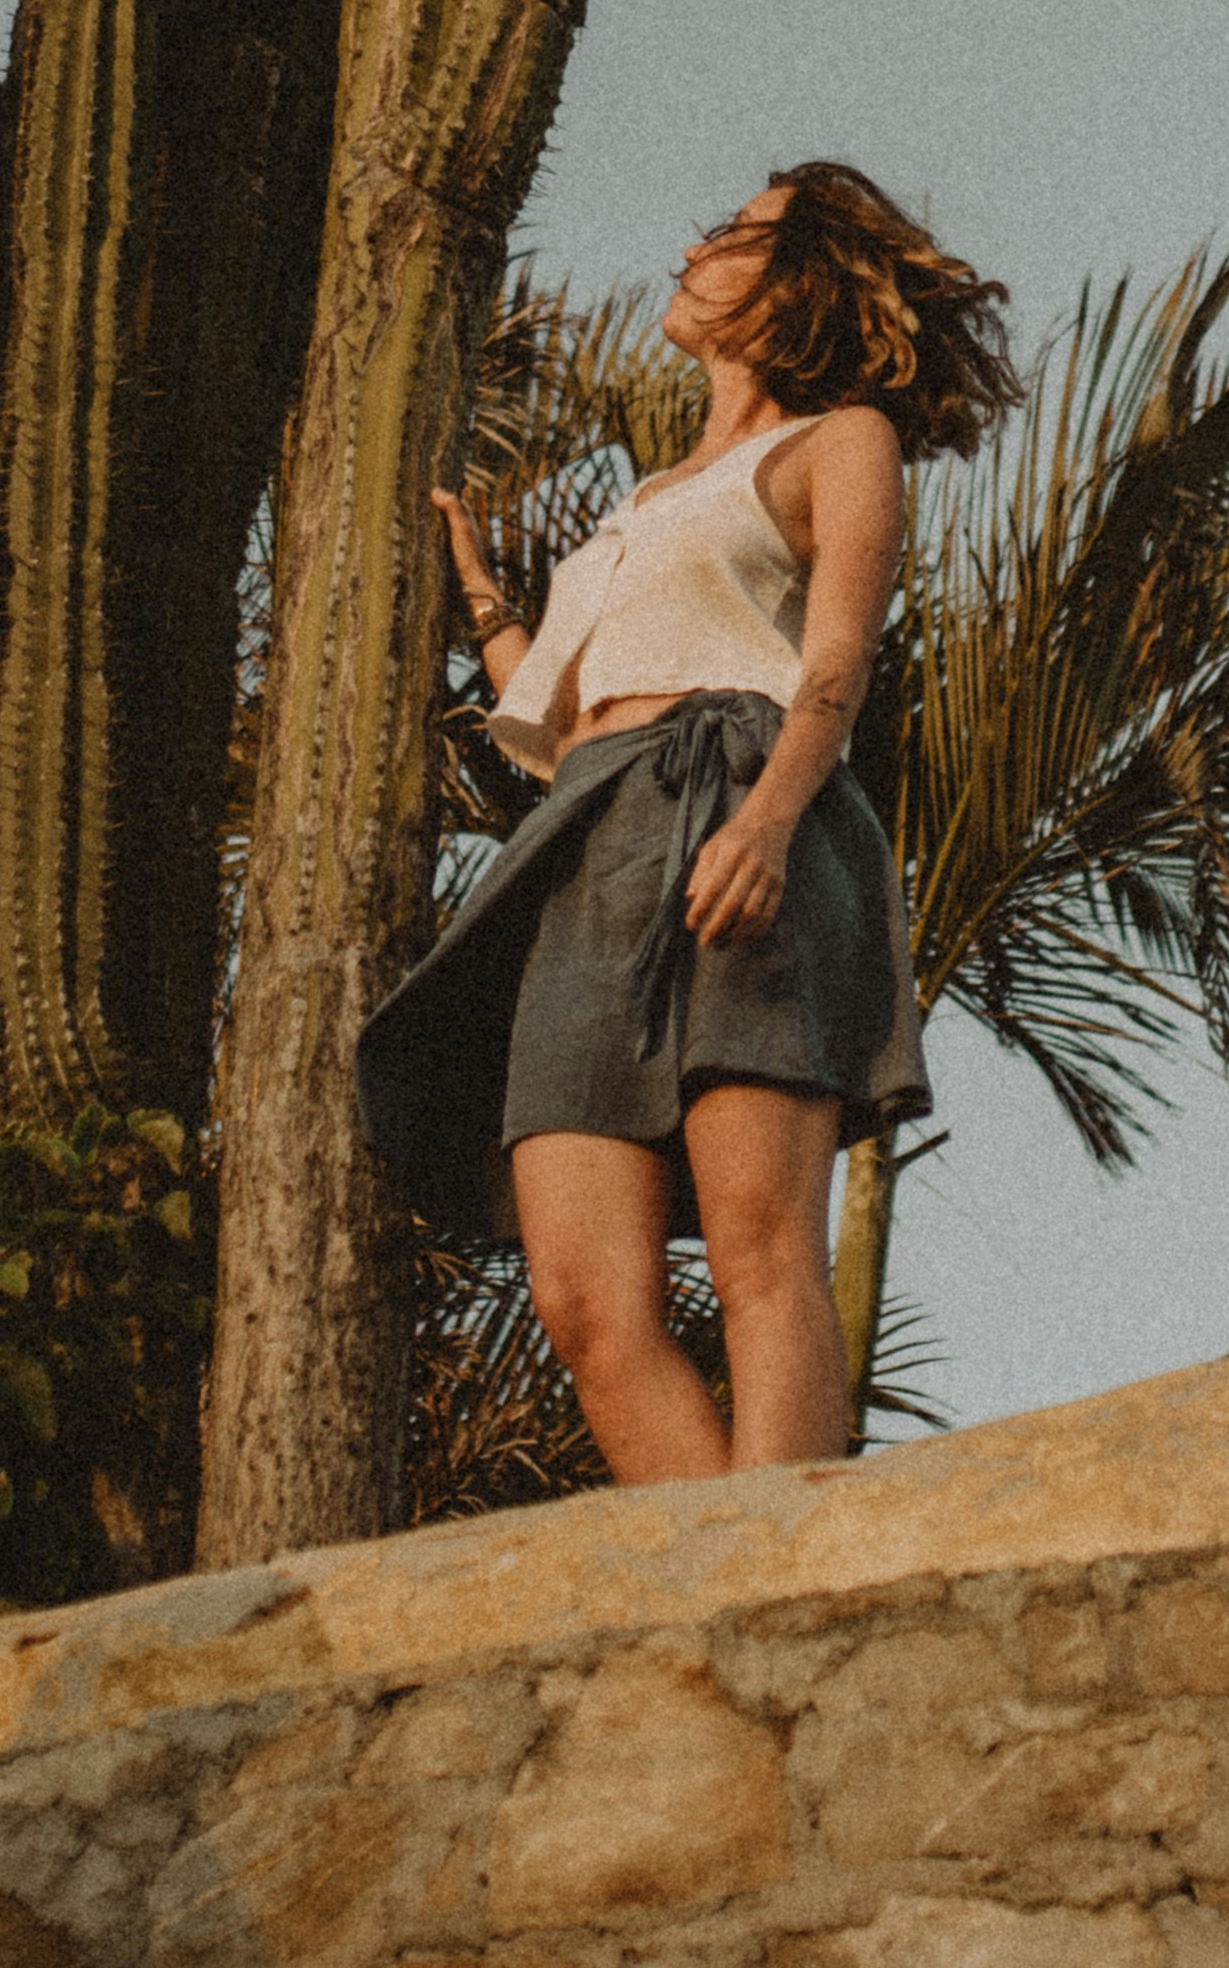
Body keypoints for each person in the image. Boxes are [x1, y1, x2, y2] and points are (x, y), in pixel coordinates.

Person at [357, 163, 1020, 1479]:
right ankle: (711, 1578)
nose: (692, 246)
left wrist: (768, 825)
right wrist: (490, 601)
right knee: (582, 1297)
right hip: (587, 847)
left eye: (734, 234)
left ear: (799, 282)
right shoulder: (646, 499)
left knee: (760, 1250)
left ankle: (783, 1592)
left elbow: (833, 662)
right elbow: (568, 718)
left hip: (738, 799)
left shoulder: (837, 443)